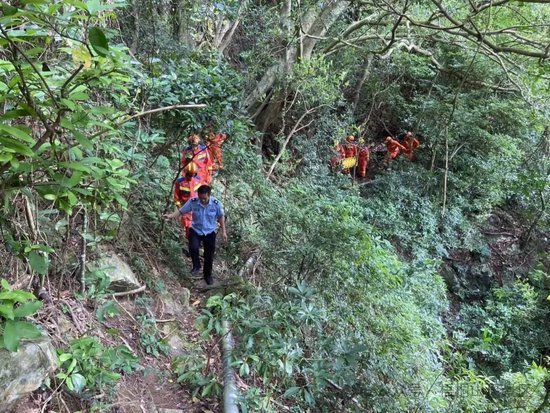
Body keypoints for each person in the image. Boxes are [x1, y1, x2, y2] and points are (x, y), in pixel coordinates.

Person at [164, 185, 227, 286]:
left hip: (209, 232)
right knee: (193, 247)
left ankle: (207, 275)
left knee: (209, 256)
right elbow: (181, 211)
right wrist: (170, 216)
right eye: (200, 197)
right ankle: (196, 266)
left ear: (209, 195)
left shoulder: (216, 204)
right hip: (196, 230)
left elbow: (221, 217)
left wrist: (224, 231)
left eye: (204, 198)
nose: (202, 200)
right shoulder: (193, 201)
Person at [173, 162, 203, 239]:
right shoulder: (180, 182)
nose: (191, 177)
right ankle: (189, 241)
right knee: (189, 227)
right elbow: (176, 197)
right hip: (186, 208)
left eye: (193, 175)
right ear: (186, 173)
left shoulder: (199, 180)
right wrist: (180, 208)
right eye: (189, 175)